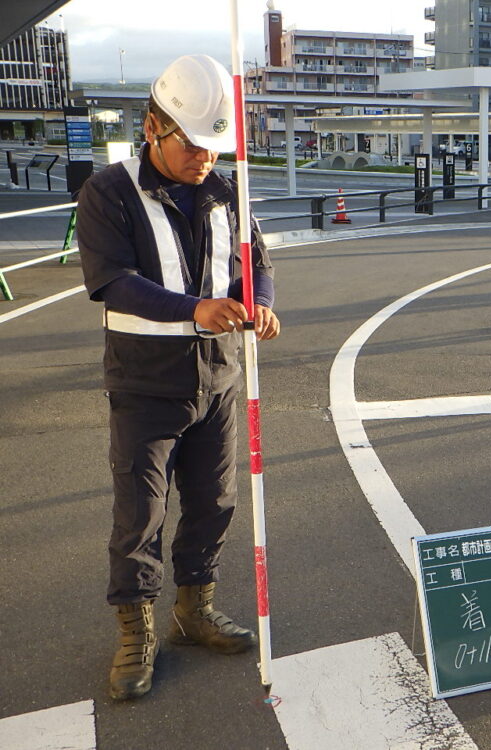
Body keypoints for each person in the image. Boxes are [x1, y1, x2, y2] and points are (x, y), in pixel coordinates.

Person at [76, 54, 280, 701]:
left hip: (218, 381)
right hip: (145, 386)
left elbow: (255, 260)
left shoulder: (228, 188)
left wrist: (262, 300)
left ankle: (194, 609)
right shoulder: (109, 192)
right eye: (191, 145)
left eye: (213, 148)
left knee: (215, 503)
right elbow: (112, 281)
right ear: (152, 127)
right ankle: (136, 631)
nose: (203, 160)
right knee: (141, 514)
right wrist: (193, 309)